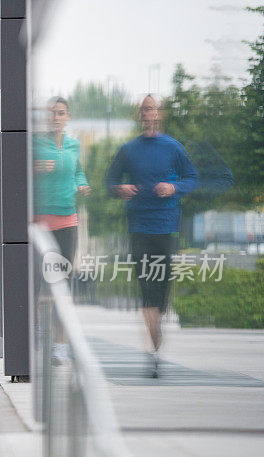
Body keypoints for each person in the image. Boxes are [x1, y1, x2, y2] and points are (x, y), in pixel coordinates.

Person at [105, 94, 198, 377]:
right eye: (144, 109)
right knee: (147, 290)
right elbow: (109, 181)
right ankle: (153, 352)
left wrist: (173, 188)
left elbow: (192, 178)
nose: (148, 113)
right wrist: (120, 189)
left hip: (167, 229)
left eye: (152, 109)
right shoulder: (128, 149)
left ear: (159, 114)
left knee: (162, 294)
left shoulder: (173, 148)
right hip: (139, 229)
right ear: (140, 114)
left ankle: (156, 332)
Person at [32, 97, 90, 364]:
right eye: (52, 113)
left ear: (68, 117)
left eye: (61, 113)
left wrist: (82, 184)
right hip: (42, 221)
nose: (56, 117)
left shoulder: (73, 144)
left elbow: (78, 172)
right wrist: (34, 168)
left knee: (63, 284)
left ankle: (60, 345)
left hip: (68, 219)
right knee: (39, 283)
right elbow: (17, 173)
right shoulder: (35, 143)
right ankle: (35, 333)